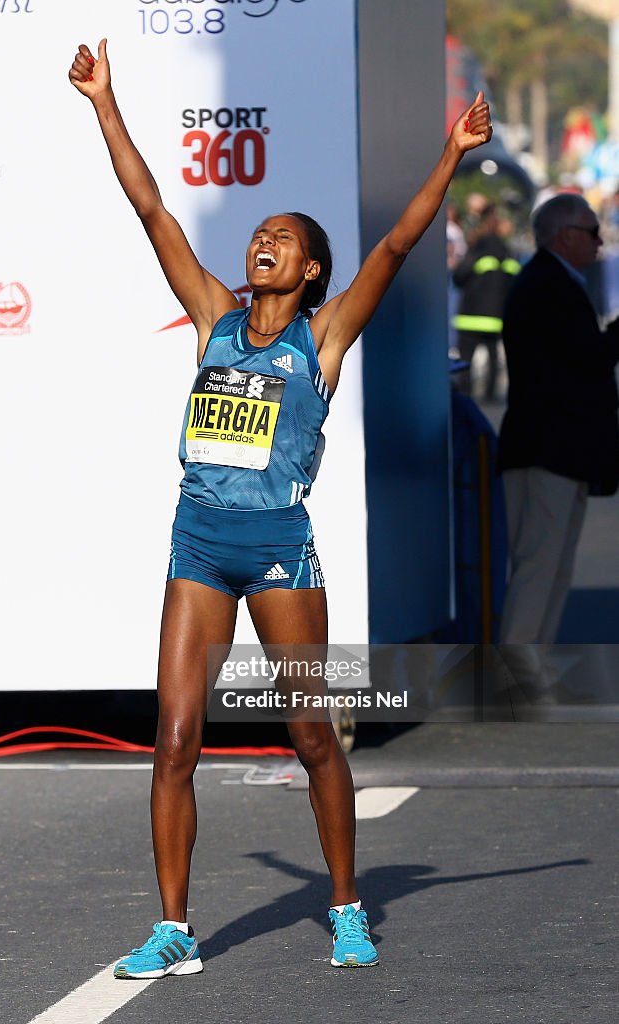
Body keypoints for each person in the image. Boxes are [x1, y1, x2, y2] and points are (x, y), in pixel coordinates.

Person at [68, 38, 491, 977]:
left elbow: (395, 245)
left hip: (276, 555)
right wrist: (104, 103)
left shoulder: (324, 336)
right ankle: (174, 927)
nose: (266, 241)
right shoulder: (214, 313)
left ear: (307, 273)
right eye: (261, 232)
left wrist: (452, 155)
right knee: (175, 737)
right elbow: (150, 210)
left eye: (287, 239)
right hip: (198, 546)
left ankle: (346, 904)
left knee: (309, 734)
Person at [498, 194, 619, 664]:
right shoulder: (549, 284)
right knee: (540, 567)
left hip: (555, 450)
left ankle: (527, 671)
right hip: (548, 451)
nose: (599, 240)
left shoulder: (552, 282)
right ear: (565, 235)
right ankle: (513, 675)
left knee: (551, 567)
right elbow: (583, 361)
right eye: (591, 231)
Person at [452, 202, 520, 399]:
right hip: (497, 318)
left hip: (470, 317)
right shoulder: (509, 253)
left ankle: (466, 392)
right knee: (493, 357)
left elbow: (459, 277)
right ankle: (491, 394)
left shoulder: (477, 251)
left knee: (466, 358)